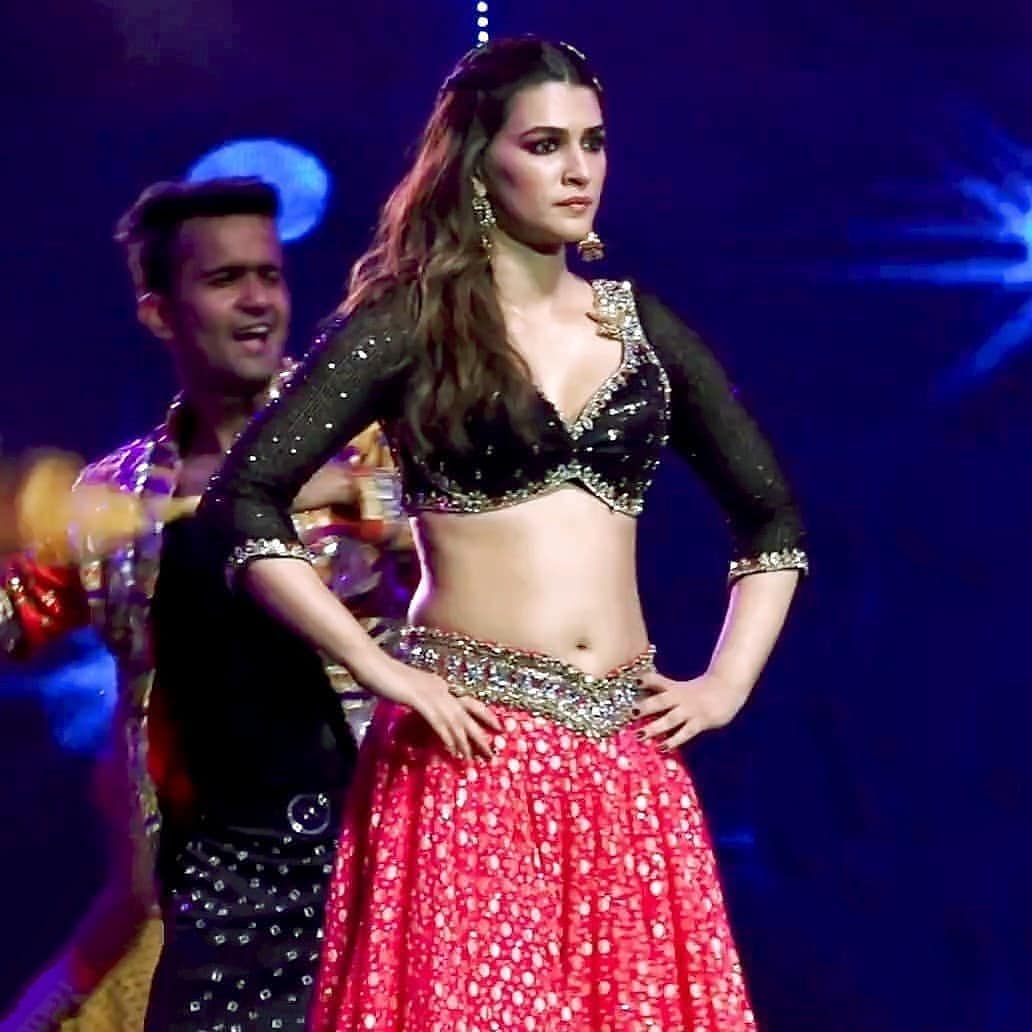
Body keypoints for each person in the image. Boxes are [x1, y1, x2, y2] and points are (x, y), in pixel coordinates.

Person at [195, 38, 808, 1030]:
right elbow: (244, 499)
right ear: (480, 162)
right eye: (546, 144)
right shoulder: (415, 323)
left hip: (625, 762)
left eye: (593, 143)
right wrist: (375, 665)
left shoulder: (641, 328)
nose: (578, 170)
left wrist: (724, 684)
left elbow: (770, 516)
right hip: (468, 749)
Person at [0, 178, 413, 1031]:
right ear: (160, 314)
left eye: (270, 275)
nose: (259, 300)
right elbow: (17, 615)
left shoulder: (371, 443)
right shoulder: (114, 497)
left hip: (382, 864)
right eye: (226, 280)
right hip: (218, 892)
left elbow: (487, 545)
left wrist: (361, 499)